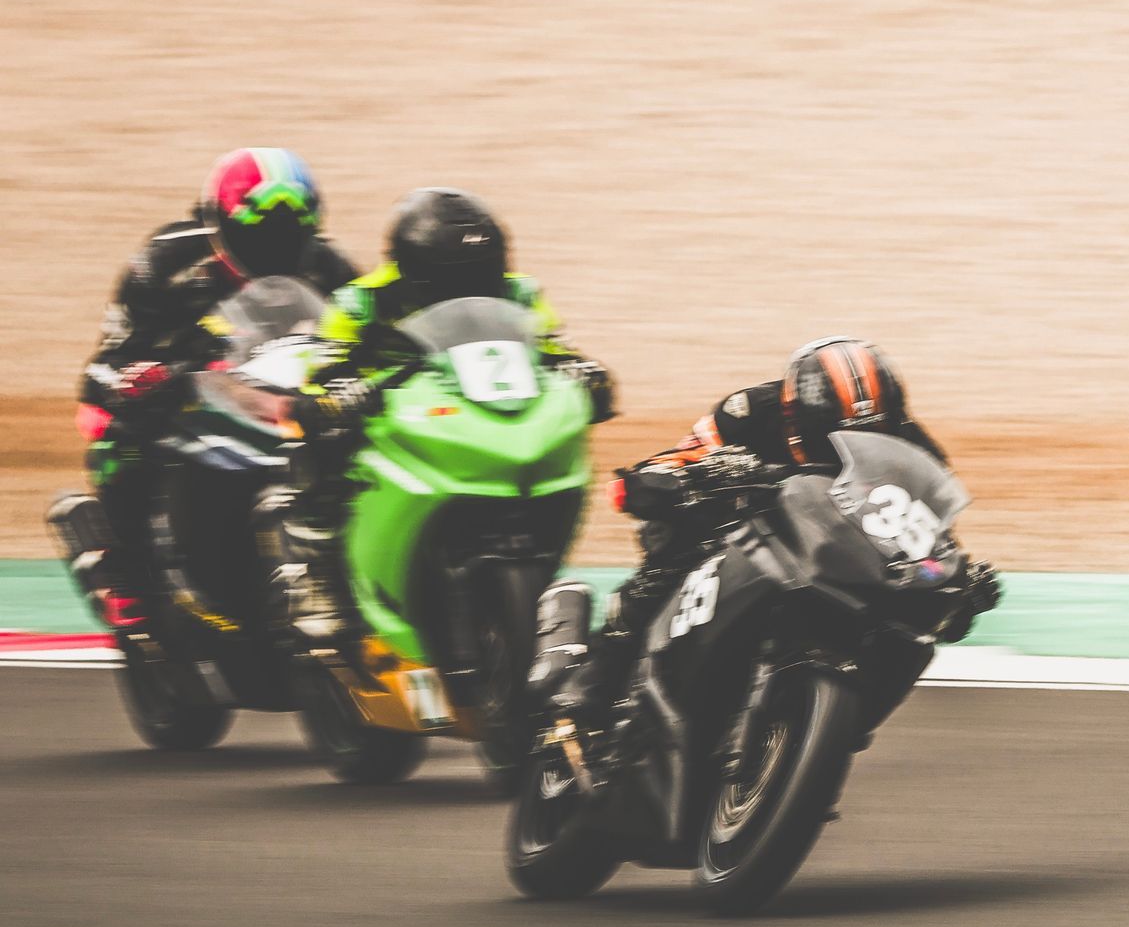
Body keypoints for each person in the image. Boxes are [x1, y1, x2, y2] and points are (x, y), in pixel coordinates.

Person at [554, 336, 1000, 723]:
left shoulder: (914, 447)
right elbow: (667, 465)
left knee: (908, 630)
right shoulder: (750, 411)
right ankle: (593, 683)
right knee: (677, 542)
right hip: (739, 529)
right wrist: (699, 475)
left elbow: (925, 539)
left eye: (872, 438)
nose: (849, 452)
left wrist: (955, 589)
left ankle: (837, 729)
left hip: (837, 555)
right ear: (796, 420)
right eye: (833, 440)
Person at [281, 187, 616, 649]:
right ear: (414, 271)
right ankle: (316, 569)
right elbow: (321, 369)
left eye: (483, 274)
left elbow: (554, 348)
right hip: (398, 420)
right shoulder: (362, 301)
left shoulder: (520, 292)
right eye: (458, 278)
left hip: (483, 412)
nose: (473, 288)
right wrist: (336, 392)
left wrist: (583, 371)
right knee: (316, 444)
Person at [73, 148, 357, 626]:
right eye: (260, 235)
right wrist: (143, 379)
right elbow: (104, 367)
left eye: (291, 235)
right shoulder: (166, 261)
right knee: (113, 433)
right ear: (220, 224)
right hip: (192, 399)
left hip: (285, 400)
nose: (276, 249)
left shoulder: (330, 267)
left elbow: (366, 337)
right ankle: (128, 569)